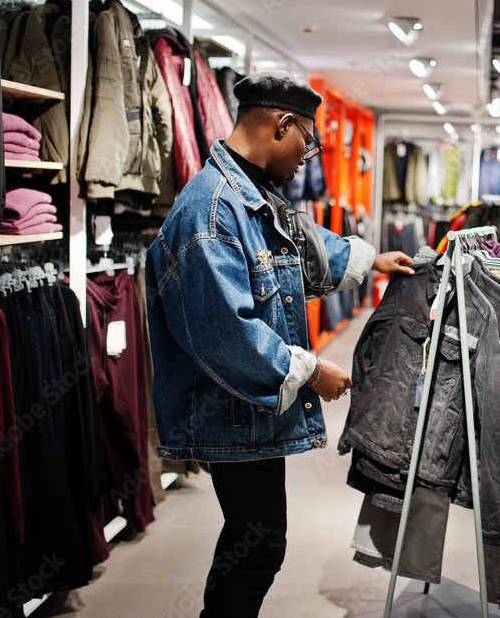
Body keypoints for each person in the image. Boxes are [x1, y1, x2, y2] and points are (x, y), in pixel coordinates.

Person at [145, 70, 414, 618]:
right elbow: (227, 333)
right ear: (281, 124)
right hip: (230, 408)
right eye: (307, 141)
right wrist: (313, 371)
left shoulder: (255, 194)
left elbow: (301, 251)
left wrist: (369, 259)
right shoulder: (210, 212)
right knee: (260, 542)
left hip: (246, 410)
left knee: (255, 537)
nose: (307, 157)